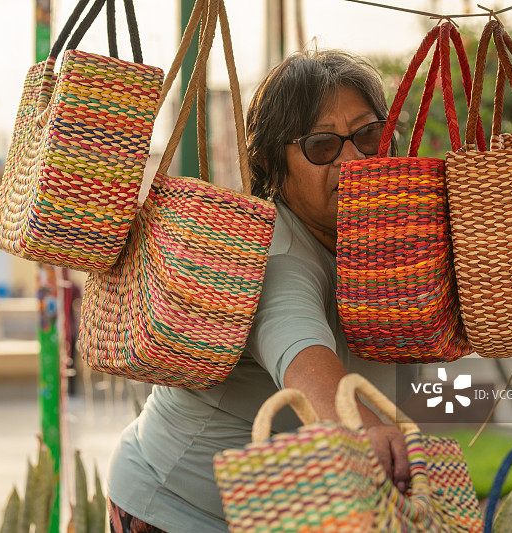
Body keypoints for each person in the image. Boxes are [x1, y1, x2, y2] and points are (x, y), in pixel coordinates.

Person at [106, 49, 411, 533]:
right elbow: (296, 343)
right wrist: (360, 425)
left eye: (369, 135)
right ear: (273, 162)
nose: (353, 160)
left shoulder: (377, 235)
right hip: (177, 510)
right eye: (322, 146)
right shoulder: (277, 254)